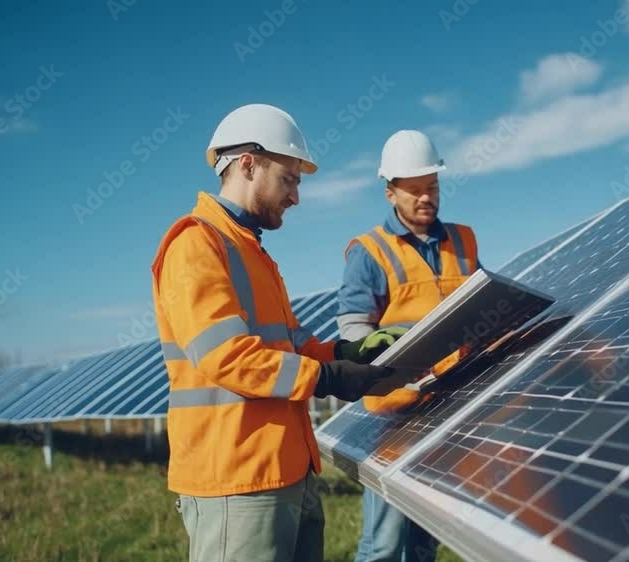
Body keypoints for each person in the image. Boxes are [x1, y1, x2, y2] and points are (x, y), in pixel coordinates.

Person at [151, 103, 405, 562]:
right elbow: (227, 357)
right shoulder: (196, 244)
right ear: (248, 164)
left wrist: (347, 350)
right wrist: (327, 379)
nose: (296, 197)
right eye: (289, 179)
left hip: (289, 471)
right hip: (238, 478)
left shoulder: (254, 254)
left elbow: (293, 346)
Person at [338, 130, 481, 562]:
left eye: (432, 188)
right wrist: (391, 362)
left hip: (450, 403)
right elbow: (353, 334)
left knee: (424, 534)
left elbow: (481, 307)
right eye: (415, 190)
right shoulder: (369, 252)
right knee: (385, 540)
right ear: (390, 193)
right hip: (394, 411)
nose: (426, 198)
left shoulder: (464, 241)